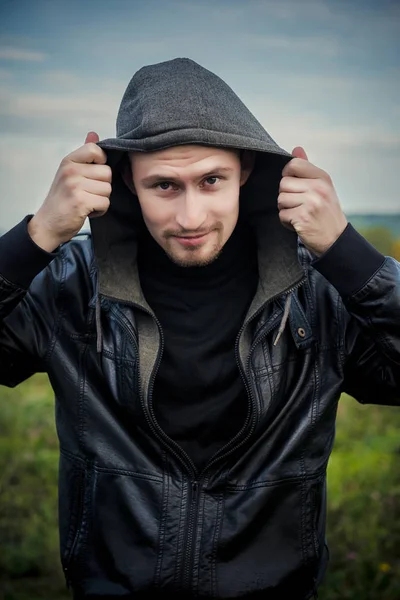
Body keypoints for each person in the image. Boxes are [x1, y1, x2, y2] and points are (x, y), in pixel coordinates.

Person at [0, 57, 399, 600]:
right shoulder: (68, 284)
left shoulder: (319, 293)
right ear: (124, 184)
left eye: (211, 180)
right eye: (164, 185)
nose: (190, 217)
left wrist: (348, 252)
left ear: (248, 172)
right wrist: (37, 235)